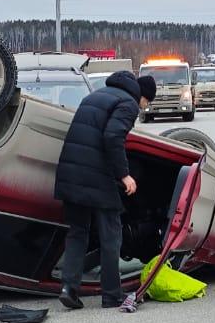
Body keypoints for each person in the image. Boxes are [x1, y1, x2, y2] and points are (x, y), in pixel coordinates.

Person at [53, 71, 156, 309]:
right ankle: (112, 294)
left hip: (70, 173)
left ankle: (69, 288)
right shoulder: (128, 104)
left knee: (78, 232)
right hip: (96, 176)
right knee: (112, 234)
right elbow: (112, 136)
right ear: (142, 96)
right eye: (147, 102)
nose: (143, 107)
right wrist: (124, 175)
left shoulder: (96, 95)